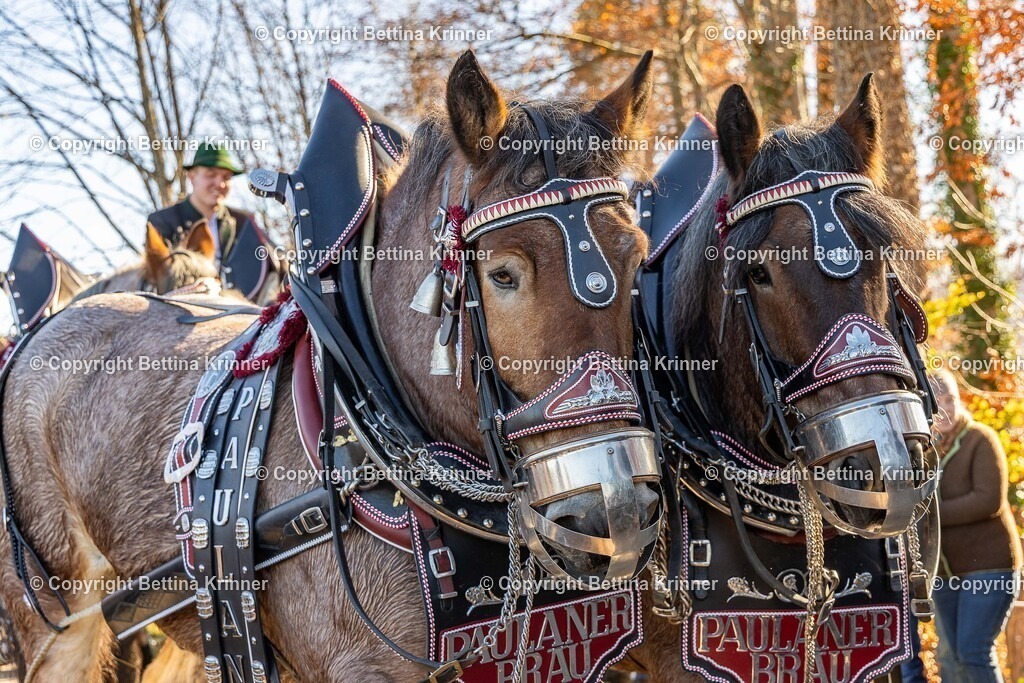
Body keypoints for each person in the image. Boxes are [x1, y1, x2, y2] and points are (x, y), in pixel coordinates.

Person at [930, 369, 1022, 683]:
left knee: (972, 652)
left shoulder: (980, 438)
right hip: (945, 570)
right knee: (948, 656)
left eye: (950, 399)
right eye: (936, 402)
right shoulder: (926, 450)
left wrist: (931, 514)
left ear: (959, 400)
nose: (945, 409)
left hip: (988, 568)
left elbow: (988, 500)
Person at [146, 142, 280, 302]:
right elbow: (158, 279)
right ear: (192, 177)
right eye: (211, 175)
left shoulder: (244, 221)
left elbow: (276, 265)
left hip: (242, 308)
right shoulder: (162, 221)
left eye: (226, 177)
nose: (220, 184)